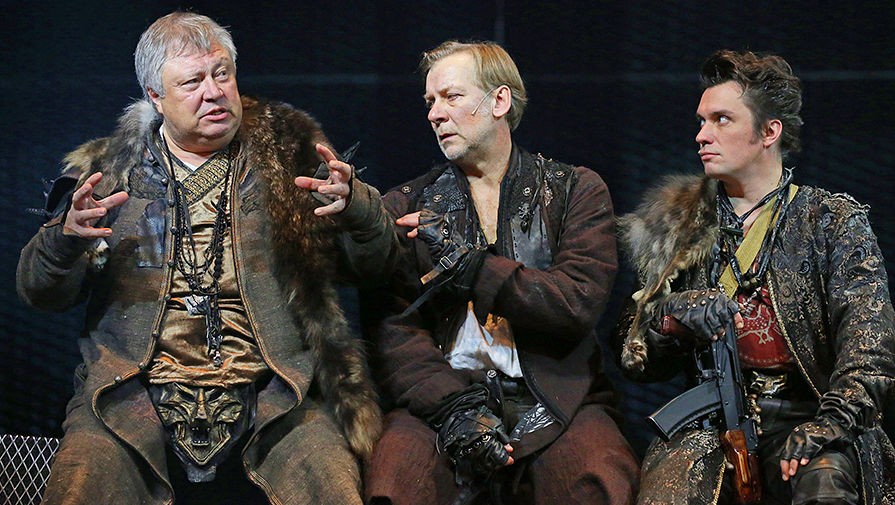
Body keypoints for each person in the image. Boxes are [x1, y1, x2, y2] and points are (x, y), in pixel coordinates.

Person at [17, 11, 397, 505]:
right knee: (82, 483)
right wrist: (65, 239)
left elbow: (377, 266)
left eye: (222, 74)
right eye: (192, 82)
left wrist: (357, 210)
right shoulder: (106, 175)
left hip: (278, 390)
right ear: (156, 97)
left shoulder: (293, 162)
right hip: (133, 390)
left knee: (330, 485)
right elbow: (38, 292)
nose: (214, 92)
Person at [360, 40, 639, 505]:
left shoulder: (574, 190)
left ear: (499, 101)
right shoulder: (405, 204)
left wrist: (473, 267)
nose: (435, 114)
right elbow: (394, 329)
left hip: (555, 398)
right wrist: (453, 407)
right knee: (396, 481)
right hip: (444, 398)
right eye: (429, 102)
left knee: (597, 479)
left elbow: (575, 302)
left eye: (451, 96)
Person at [615, 49, 895, 504]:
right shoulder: (678, 222)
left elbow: (871, 349)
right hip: (710, 427)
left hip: (812, 416)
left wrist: (831, 423)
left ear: (769, 132)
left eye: (721, 120)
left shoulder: (831, 222)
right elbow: (634, 358)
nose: (702, 135)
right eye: (702, 121)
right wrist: (670, 317)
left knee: (825, 486)